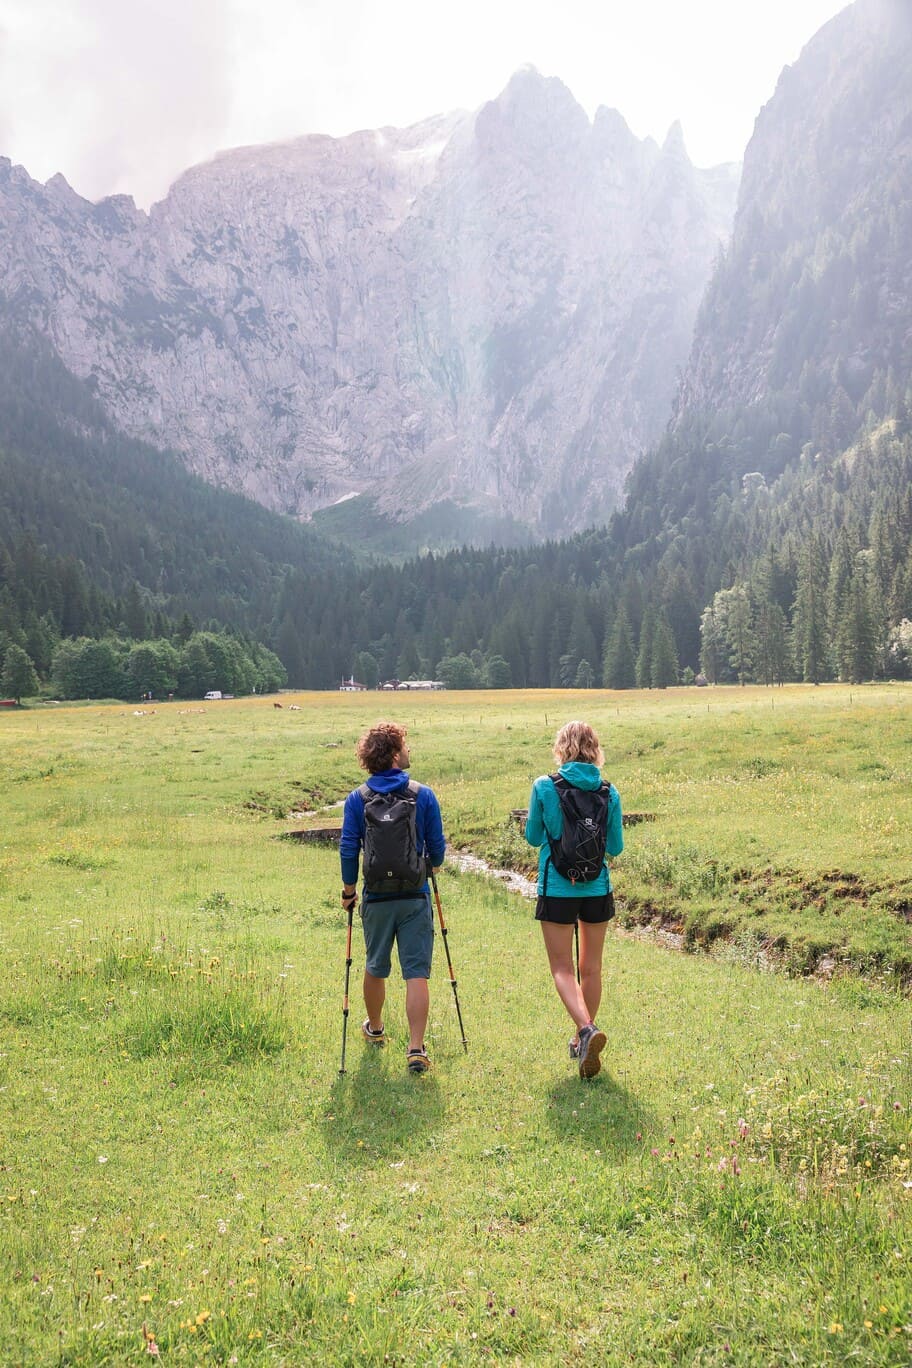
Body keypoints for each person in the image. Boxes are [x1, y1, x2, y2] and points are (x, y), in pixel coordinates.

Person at [340, 721, 446, 1074]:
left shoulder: (357, 799)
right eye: (405, 745)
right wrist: (427, 864)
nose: (409, 750)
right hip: (415, 895)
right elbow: (438, 851)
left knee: (375, 965)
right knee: (416, 972)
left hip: (376, 896)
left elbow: (348, 848)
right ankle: (415, 1048)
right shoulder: (423, 795)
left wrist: (349, 891)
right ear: (394, 755)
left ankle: (375, 1028)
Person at [524, 720, 623, 1078]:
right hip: (597, 888)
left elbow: (534, 837)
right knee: (591, 968)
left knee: (562, 968)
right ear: (595, 748)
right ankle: (583, 1038)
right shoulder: (609, 791)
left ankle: (585, 1030)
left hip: (557, 888)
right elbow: (615, 847)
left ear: (561, 747)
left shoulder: (544, 786)